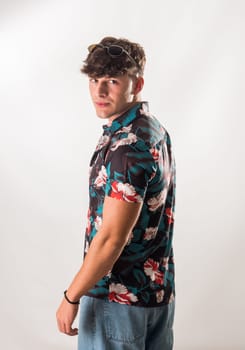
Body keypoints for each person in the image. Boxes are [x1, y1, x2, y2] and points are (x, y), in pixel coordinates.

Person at [56, 36, 176, 350]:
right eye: (94, 80)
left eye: (112, 80)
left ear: (138, 83)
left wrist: (71, 296)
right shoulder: (153, 130)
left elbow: (112, 237)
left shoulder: (127, 144)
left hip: (116, 300)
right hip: (155, 296)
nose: (100, 91)